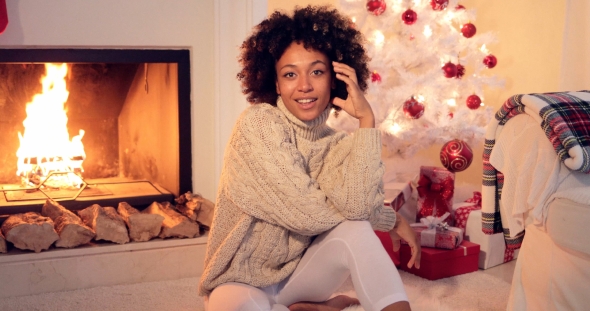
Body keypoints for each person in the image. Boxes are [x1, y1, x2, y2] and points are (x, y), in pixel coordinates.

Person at [199, 5, 421, 311]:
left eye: (317, 71)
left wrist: (367, 122)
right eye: (290, 74)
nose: (304, 85)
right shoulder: (258, 124)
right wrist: (386, 218)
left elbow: (355, 210)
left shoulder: (338, 145)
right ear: (275, 83)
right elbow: (306, 214)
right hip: (238, 282)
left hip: (300, 278)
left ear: (334, 78)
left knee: (355, 228)